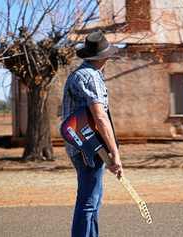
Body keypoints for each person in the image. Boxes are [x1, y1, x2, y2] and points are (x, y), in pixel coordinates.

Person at [62, 29, 123, 237]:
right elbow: (100, 117)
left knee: (92, 201)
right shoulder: (92, 77)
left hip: (79, 147)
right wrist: (115, 152)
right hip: (90, 149)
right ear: (104, 56)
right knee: (89, 203)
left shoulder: (78, 74)